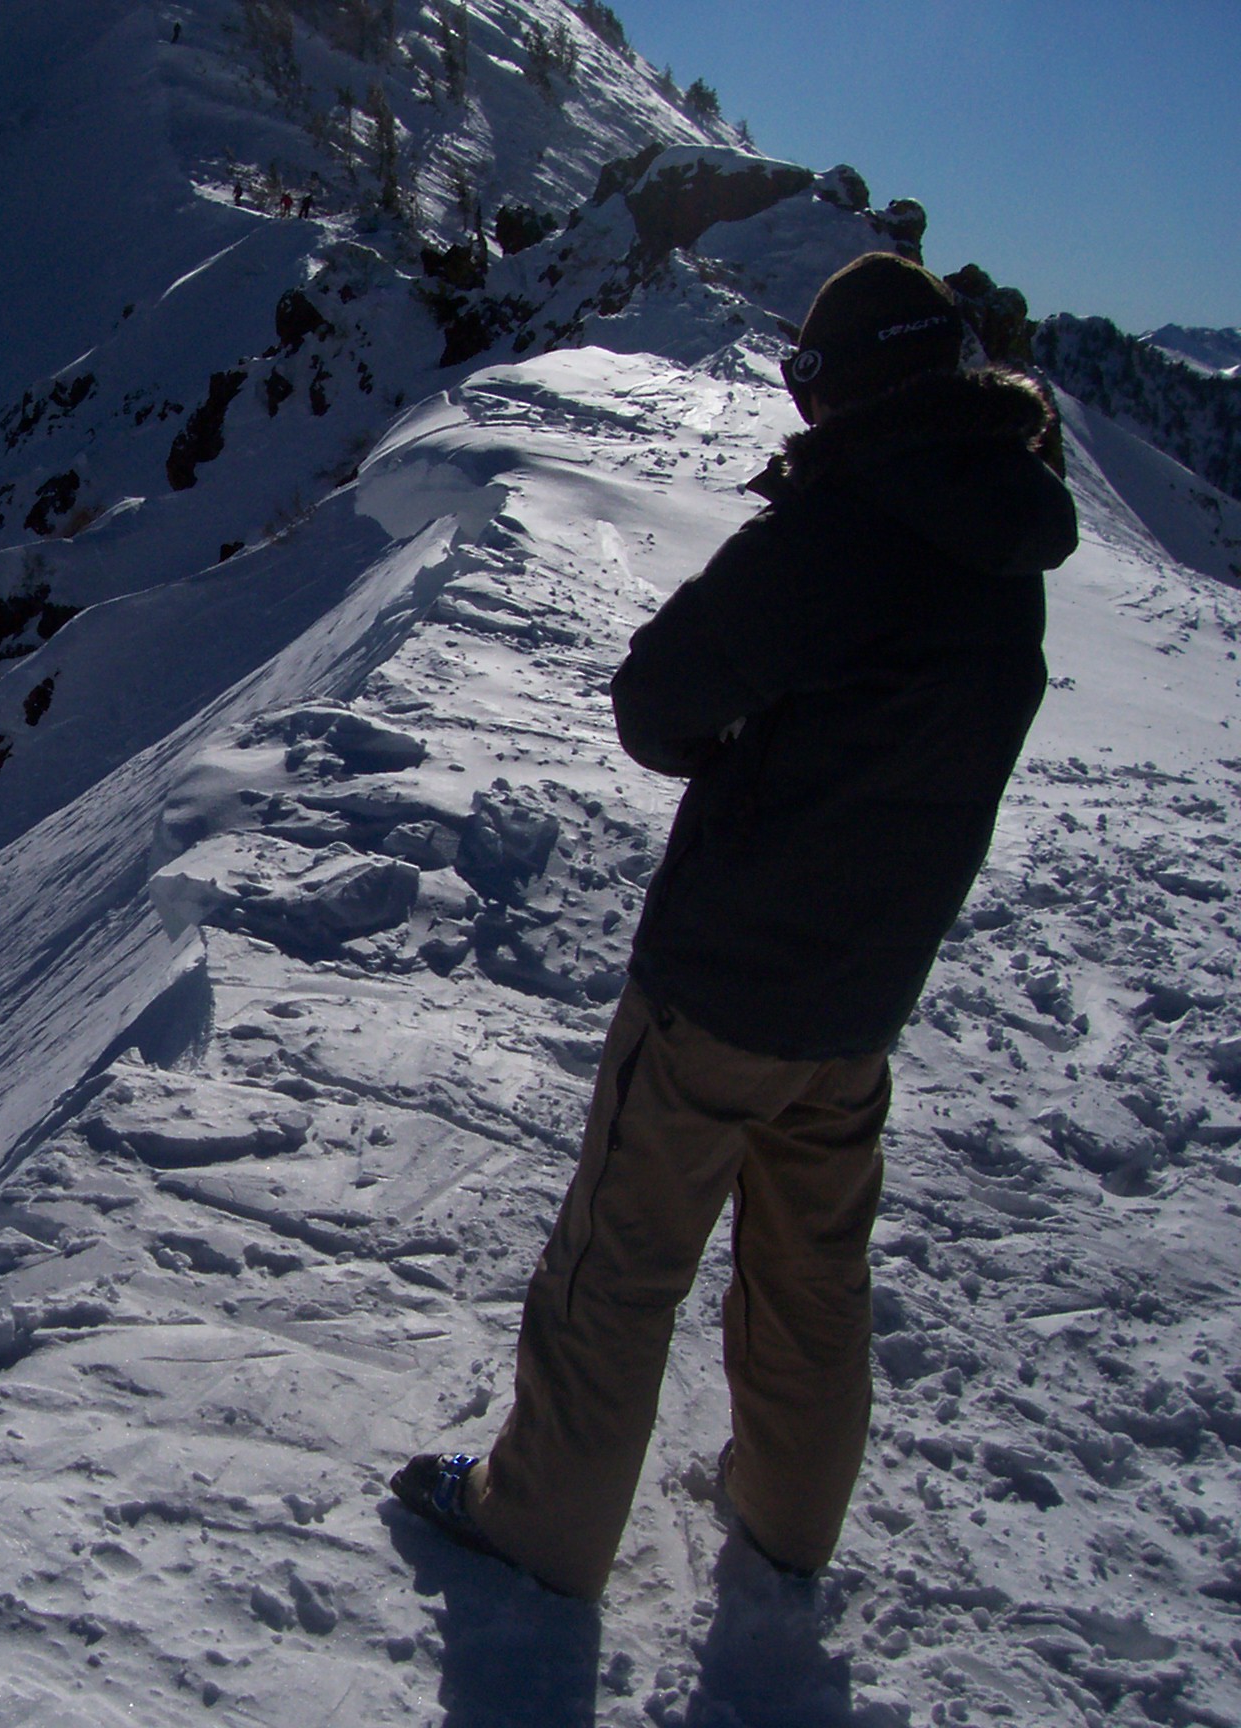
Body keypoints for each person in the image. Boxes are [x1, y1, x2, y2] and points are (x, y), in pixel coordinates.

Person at [392, 252, 1079, 1600]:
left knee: (620, 1261)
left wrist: (743, 752)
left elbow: (658, 699)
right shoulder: (1006, 535)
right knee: (812, 1275)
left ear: (856, 381)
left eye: (809, 377)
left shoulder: (845, 526)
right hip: (863, 997)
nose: (800, 405)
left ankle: (537, 1526)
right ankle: (785, 1527)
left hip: (722, 979)